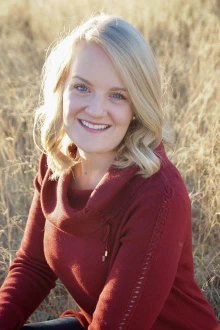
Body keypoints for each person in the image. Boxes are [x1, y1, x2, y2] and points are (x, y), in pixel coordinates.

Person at [0, 14, 219, 330]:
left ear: (136, 107)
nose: (95, 109)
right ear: (61, 88)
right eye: (82, 87)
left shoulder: (158, 193)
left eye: (118, 95)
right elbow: (33, 267)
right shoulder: (57, 162)